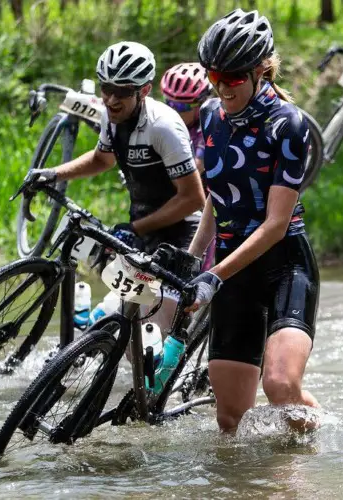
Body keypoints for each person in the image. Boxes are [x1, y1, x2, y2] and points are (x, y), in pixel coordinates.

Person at [185, 8, 321, 433]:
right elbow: (216, 198)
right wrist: (194, 260)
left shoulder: (288, 124)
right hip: (232, 268)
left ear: (262, 70)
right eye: (214, 77)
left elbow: (276, 224)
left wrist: (214, 276)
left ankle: (307, 461)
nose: (222, 88)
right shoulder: (209, 116)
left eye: (234, 78)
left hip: (284, 265)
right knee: (230, 416)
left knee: (280, 385)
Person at [24, 41, 206, 331]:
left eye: (121, 92)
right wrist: (53, 173)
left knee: (160, 330)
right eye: (105, 88)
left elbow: (193, 199)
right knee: (129, 334)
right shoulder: (113, 118)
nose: (110, 99)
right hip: (143, 230)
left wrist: (136, 228)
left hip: (181, 235)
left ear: (144, 90)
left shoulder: (164, 128)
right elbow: (101, 159)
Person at [160, 62, 216, 270]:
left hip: (206, 201)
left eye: (181, 107)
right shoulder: (167, 120)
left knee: (193, 268)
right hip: (176, 195)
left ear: (200, 103)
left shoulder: (208, 122)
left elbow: (197, 165)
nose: (173, 110)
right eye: (169, 103)